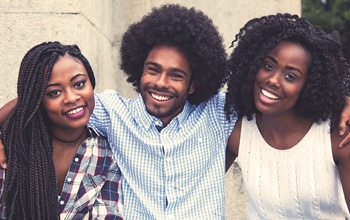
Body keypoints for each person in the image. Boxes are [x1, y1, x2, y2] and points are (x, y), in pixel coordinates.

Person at [1, 5, 350, 219]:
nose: (161, 82)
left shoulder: (220, 112)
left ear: (194, 83)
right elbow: (47, 100)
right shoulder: (111, 111)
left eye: (176, 75)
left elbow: (276, 94)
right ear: (138, 70)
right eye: (153, 69)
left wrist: (344, 103)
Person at [225, 13, 350, 219]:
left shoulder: (337, 134)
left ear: (310, 86)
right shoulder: (237, 130)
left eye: (290, 76)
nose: (273, 80)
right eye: (268, 65)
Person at [0, 42, 123, 219]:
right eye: (54, 93)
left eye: (79, 84)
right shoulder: (11, 146)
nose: (71, 98)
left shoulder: (105, 154)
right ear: (37, 101)